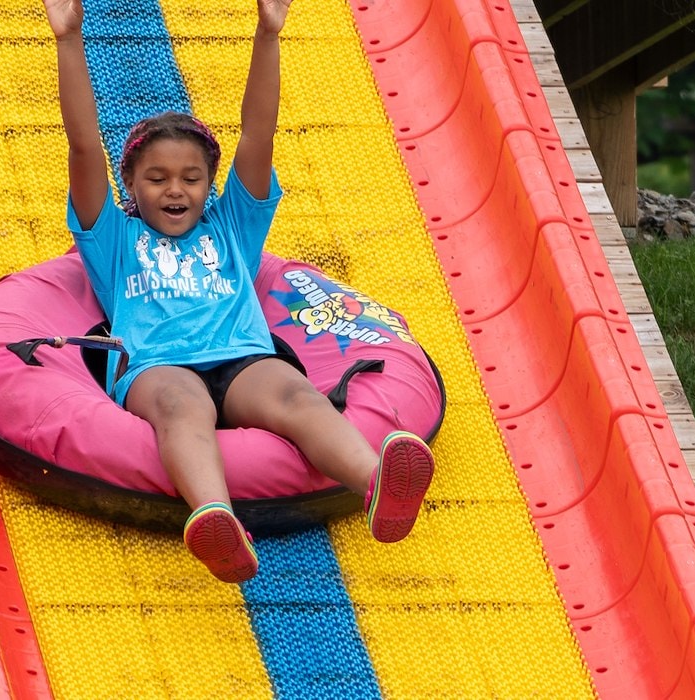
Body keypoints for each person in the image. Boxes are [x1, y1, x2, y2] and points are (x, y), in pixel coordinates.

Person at [43, 0, 435, 583]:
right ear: (130, 183)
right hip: (158, 364)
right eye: (156, 179)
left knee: (299, 398)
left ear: (209, 185)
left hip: (244, 359)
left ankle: (377, 484)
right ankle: (215, 518)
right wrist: (70, 38)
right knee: (182, 406)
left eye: (191, 178)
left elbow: (258, 133)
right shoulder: (114, 237)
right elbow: (82, 148)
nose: (174, 191)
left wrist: (268, 32)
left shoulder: (232, 227)